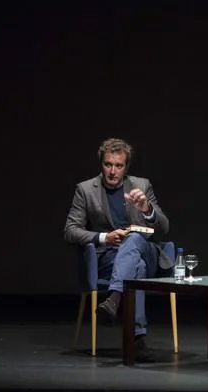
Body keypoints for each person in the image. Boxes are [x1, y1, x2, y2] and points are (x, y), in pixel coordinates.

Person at [64, 137, 171, 363]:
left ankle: (113, 298)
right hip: (110, 259)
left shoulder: (141, 186)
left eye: (119, 166)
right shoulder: (85, 190)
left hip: (146, 252)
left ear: (126, 167)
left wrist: (148, 209)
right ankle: (137, 340)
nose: (112, 171)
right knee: (136, 268)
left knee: (133, 239)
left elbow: (164, 227)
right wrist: (104, 237)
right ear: (101, 164)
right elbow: (70, 231)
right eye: (108, 164)